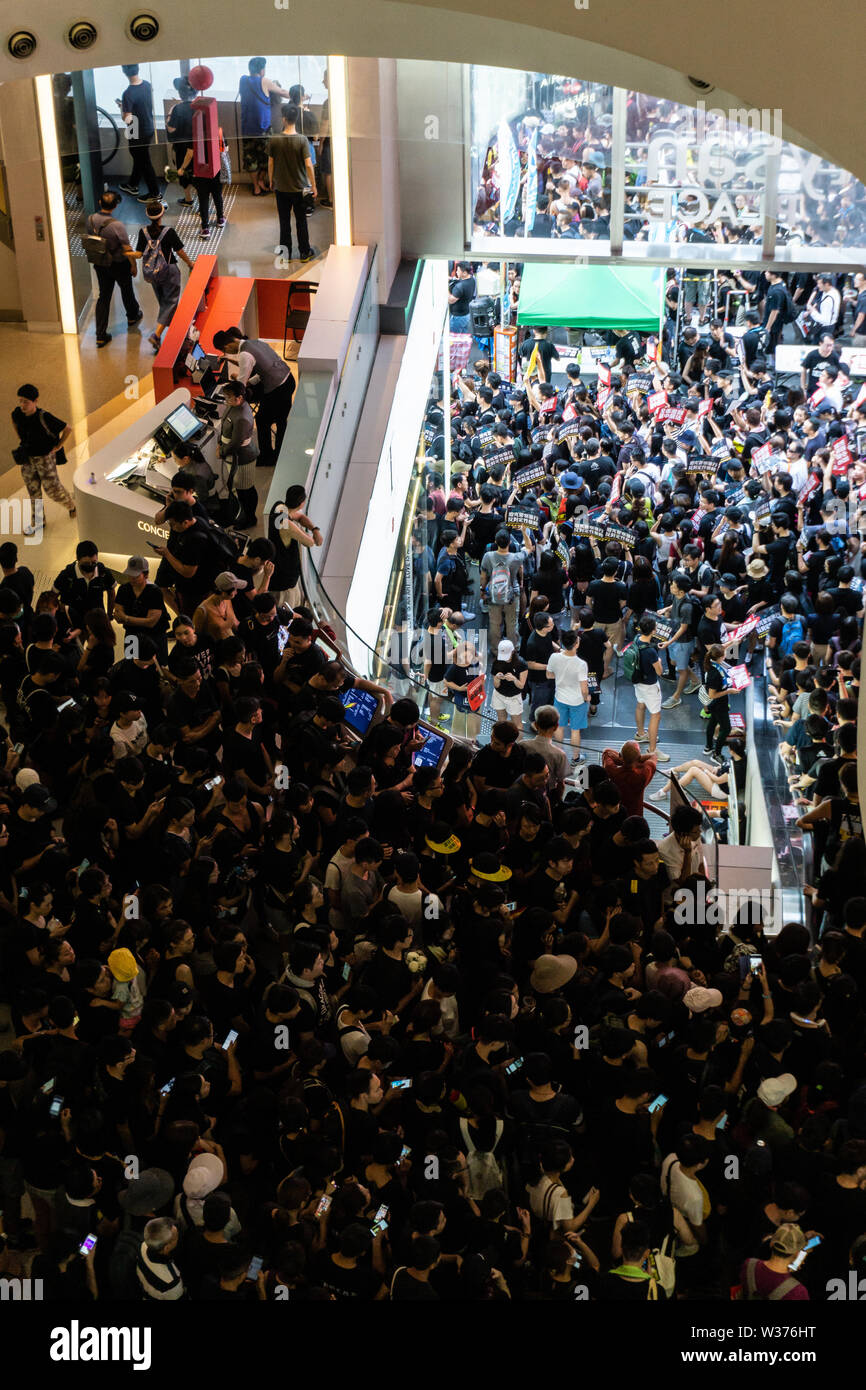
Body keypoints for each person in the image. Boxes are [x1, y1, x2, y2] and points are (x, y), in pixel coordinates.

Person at [212, 327, 295, 470]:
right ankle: (278, 454)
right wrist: (250, 381)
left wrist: (230, 390)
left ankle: (268, 458)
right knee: (280, 421)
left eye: (224, 351)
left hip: (278, 390)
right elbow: (265, 369)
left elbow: (241, 386)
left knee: (263, 420)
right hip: (288, 380)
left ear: (226, 346)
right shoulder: (256, 342)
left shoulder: (245, 354)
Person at [131, 200, 195, 353]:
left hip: (152, 273)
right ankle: (157, 334)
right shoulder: (168, 232)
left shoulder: (143, 232)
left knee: (164, 303)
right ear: (162, 213)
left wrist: (126, 253)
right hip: (169, 271)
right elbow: (179, 251)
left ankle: (180, 334)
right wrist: (190, 264)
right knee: (171, 303)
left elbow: (139, 254)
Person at [83, 190, 142, 348]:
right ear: (115, 206)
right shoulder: (117, 225)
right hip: (118, 264)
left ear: (101, 203)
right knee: (126, 289)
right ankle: (132, 315)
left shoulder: (90, 219)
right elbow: (127, 248)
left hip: (100, 263)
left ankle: (100, 335)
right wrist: (134, 265)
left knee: (104, 296)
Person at [11, 383, 75, 520]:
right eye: (20, 401)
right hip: (27, 458)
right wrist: (22, 439)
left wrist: (58, 446)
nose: (22, 405)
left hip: (44, 458)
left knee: (52, 489)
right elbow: (14, 423)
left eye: (26, 402)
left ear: (35, 401)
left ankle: (72, 505)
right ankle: (39, 521)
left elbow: (68, 428)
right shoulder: (17, 414)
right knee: (33, 492)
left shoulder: (44, 417)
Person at [268, 103, 318, 264]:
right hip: (300, 189)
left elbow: (270, 163)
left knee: (284, 222)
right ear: (296, 119)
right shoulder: (302, 140)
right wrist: (313, 185)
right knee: (301, 221)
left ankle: (285, 254)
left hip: (281, 188)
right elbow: (309, 165)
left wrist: (271, 180)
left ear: (284, 119)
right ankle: (304, 252)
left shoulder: (275, 140)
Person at [238, 58, 294, 195]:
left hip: (246, 129)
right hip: (263, 129)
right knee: (266, 157)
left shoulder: (243, 80)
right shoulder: (264, 81)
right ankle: (262, 181)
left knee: (250, 159)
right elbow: (283, 92)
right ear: (262, 70)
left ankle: (256, 186)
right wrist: (299, 96)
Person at [216, 381, 259, 528]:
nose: (226, 400)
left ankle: (249, 518)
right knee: (242, 490)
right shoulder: (235, 406)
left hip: (243, 458)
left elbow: (235, 443)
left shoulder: (242, 417)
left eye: (228, 397)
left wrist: (221, 451)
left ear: (239, 398)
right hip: (235, 455)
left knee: (245, 491)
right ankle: (245, 515)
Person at [117, 63, 159, 202]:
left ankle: (155, 194)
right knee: (140, 158)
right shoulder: (147, 85)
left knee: (144, 161)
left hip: (136, 132)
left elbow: (127, 119)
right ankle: (133, 184)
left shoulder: (128, 93)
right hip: (148, 128)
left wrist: (122, 108)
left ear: (124, 72)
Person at [631, 616, 670, 763]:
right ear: (654, 630)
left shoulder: (636, 640)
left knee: (640, 705)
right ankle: (652, 750)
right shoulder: (651, 652)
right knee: (655, 715)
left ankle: (641, 734)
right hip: (650, 685)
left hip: (638, 681)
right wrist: (659, 661)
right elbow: (659, 672)